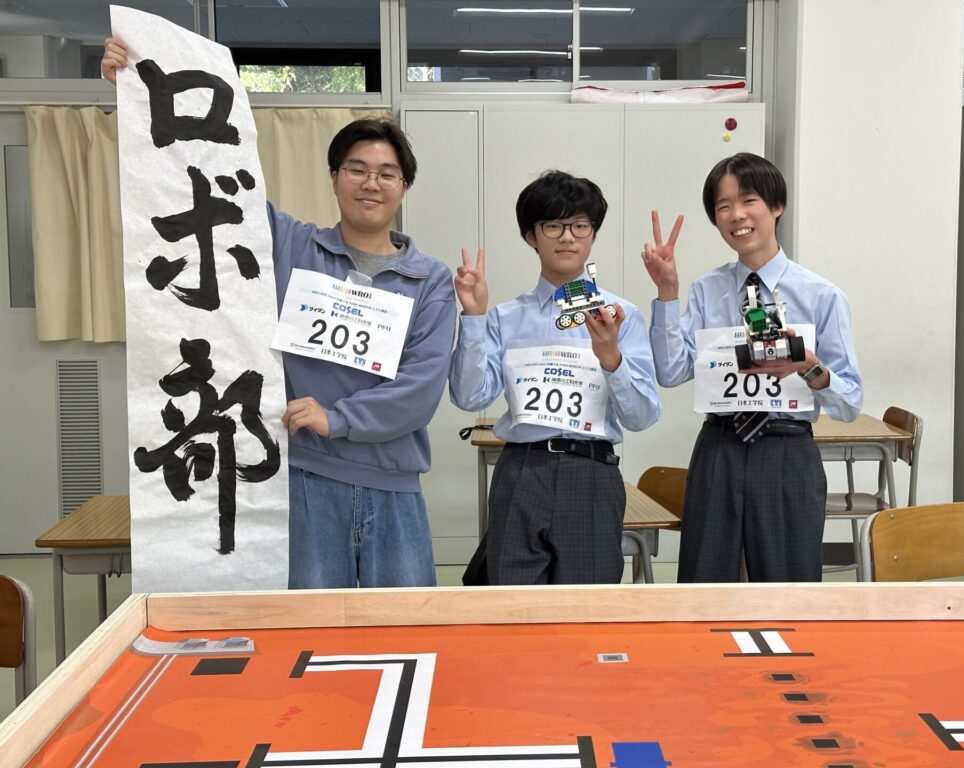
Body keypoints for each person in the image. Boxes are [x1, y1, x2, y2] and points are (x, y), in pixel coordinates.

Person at [102, 39, 456, 589]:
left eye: (387, 173)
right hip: (305, 478)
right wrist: (137, 96)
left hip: (395, 484)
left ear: (404, 187)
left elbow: (421, 388)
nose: (371, 183)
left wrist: (339, 418)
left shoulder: (429, 279)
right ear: (334, 177)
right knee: (307, 630)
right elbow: (204, 178)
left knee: (403, 628)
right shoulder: (289, 245)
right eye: (357, 169)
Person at [642, 152, 862, 583]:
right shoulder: (706, 290)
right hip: (719, 447)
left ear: (776, 205)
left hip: (788, 451)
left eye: (748, 201)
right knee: (703, 586)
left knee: (787, 590)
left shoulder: (822, 296)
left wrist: (809, 366)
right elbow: (671, 372)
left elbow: (850, 402)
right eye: (723, 206)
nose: (736, 215)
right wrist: (667, 292)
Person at [450, 170, 661, 585]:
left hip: (592, 472)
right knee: (513, 605)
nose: (568, 237)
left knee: (588, 608)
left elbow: (642, 416)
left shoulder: (621, 316)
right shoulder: (505, 317)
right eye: (553, 225)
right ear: (531, 235)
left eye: (580, 225)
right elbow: (470, 397)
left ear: (592, 235)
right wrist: (473, 318)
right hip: (521, 469)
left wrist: (611, 358)